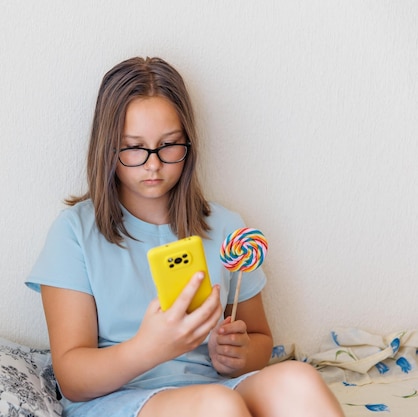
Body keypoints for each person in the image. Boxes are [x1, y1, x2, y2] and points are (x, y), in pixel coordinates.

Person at [26, 56, 344, 417]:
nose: (153, 164)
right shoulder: (75, 232)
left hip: (216, 386)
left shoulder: (226, 229)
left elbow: (259, 339)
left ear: (189, 144)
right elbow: (72, 379)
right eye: (133, 147)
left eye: (169, 145)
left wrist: (236, 355)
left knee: (300, 380)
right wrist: (150, 347)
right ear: (108, 148)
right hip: (120, 397)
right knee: (218, 406)